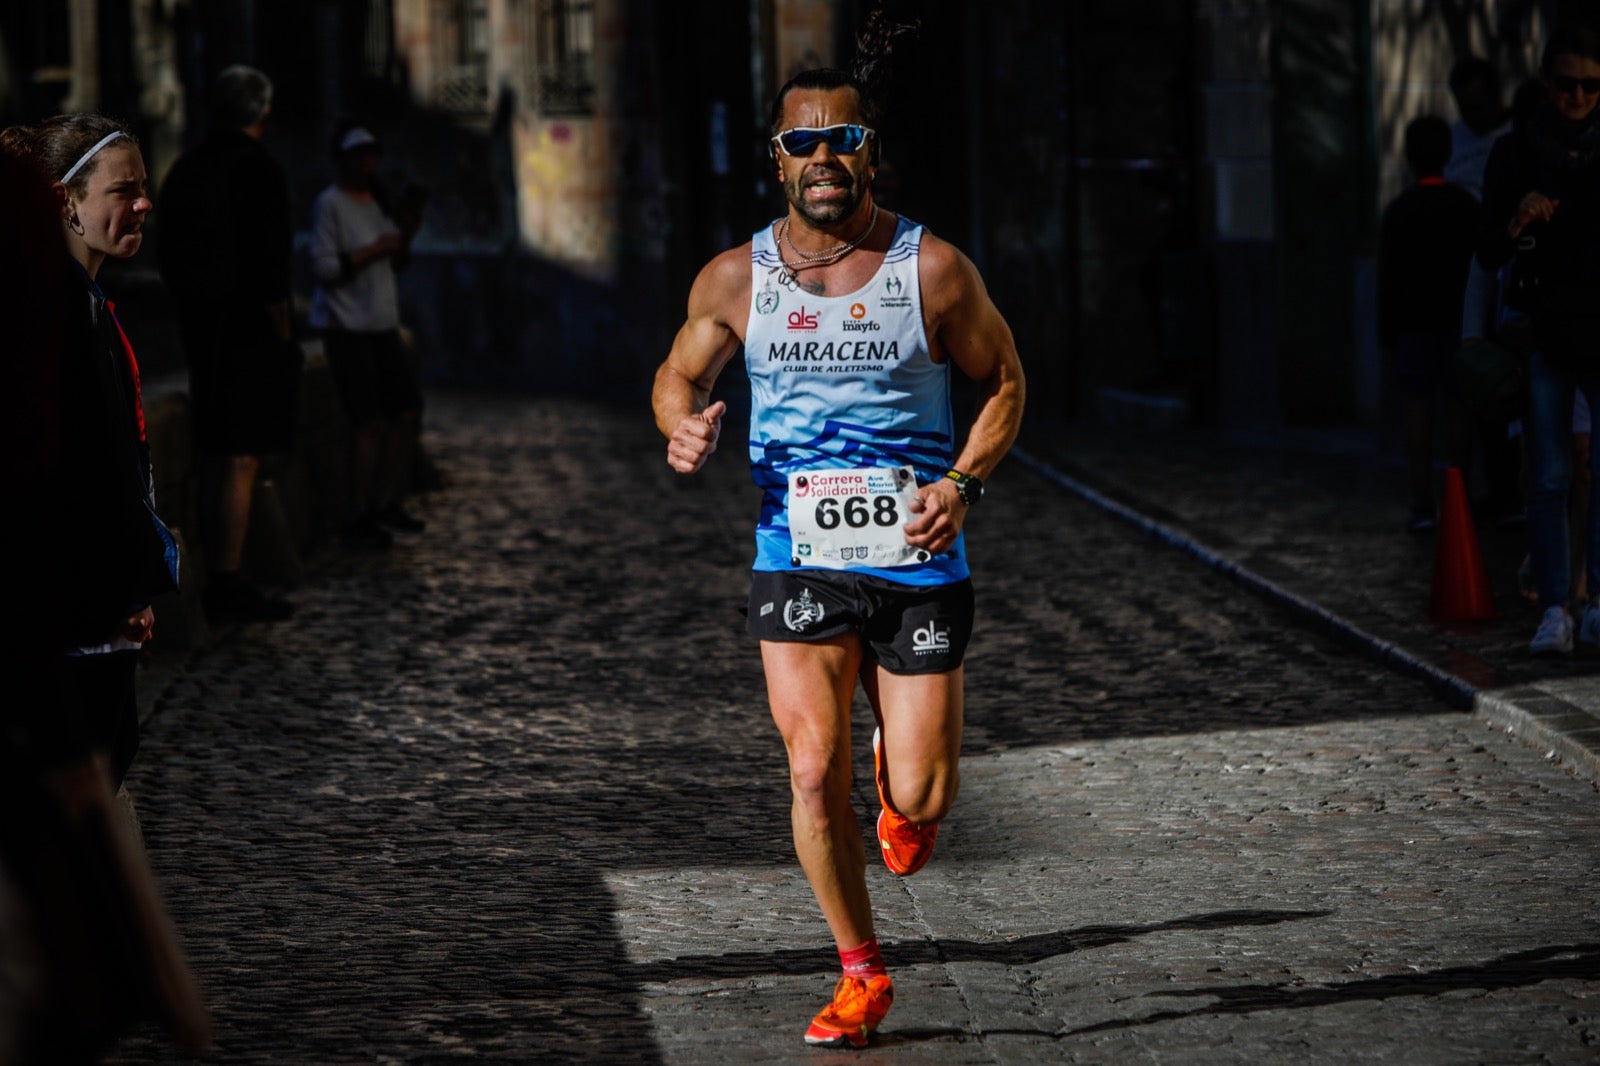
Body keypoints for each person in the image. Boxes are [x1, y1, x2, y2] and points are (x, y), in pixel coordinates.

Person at [650, 52, 1026, 1048]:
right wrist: (678, 425)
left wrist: (960, 484)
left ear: (870, 154)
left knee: (920, 795)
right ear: (777, 161)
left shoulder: (932, 269)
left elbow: (1006, 383)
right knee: (810, 771)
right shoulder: (737, 277)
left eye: (843, 138)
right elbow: (673, 371)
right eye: (802, 141)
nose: (823, 156)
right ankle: (860, 971)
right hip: (798, 552)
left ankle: (901, 774)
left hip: (916, 561)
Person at [157, 64, 298, 623]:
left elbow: (168, 253)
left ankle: (220, 573)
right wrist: (282, 332)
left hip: (201, 326)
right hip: (247, 333)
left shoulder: (187, 168)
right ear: (262, 113)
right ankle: (227, 579)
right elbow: (271, 266)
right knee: (240, 457)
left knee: (214, 449)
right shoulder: (259, 169)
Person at [1478, 23, 1600, 654]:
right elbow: (1487, 248)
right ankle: (1556, 605)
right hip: (1546, 329)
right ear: (1547, 84)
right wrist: (1515, 216)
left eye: (1591, 85)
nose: (1577, 97)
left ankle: (1595, 602)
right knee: (1550, 473)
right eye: (1566, 85)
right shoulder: (1517, 151)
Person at [308, 122, 426, 549]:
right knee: (367, 423)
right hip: (347, 328)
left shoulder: (378, 201)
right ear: (342, 158)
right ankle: (357, 512)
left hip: (381, 324)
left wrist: (400, 240)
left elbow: (394, 263)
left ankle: (385, 501)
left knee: (406, 413)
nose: (367, 162)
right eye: (358, 154)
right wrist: (374, 249)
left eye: (371, 153)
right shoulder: (330, 205)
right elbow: (322, 269)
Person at [1377, 115, 1479, 533]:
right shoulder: (1466, 207)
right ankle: (1460, 500)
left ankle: (1423, 503)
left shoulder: (1399, 211)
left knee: (1418, 414)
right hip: (1457, 325)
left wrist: (1387, 333)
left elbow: (1387, 281)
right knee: (1459, 415)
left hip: (1413, 326)